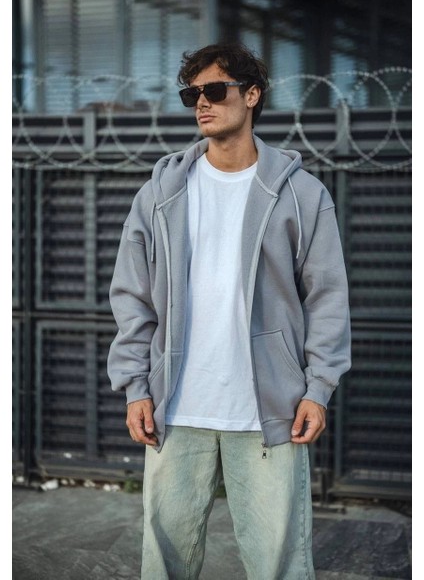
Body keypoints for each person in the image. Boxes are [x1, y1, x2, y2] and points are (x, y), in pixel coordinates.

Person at [107, 43, 351, 579]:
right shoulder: (161, 194)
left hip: (269, 410)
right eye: (191, 94)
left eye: (215, 91)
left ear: (252, 95)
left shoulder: (301, 194)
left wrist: (318, 388)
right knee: (163, 563)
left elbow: (327, 296)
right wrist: (135, 387)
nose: (201, 103)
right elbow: (132, 296)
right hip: (176, 406)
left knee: (278, 564)